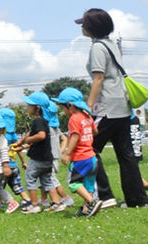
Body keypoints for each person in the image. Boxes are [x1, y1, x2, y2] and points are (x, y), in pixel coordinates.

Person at [76, 8, 148, 208]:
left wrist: (88, 106)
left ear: (92, 27)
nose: (81, 27)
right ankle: (138, 200)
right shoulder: (112, 44)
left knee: (88, 150)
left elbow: (98, 78)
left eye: (84, 24)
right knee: (126, 156)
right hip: (122, 107)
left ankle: (105, 196)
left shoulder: (97, 48)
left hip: (106, 107)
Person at [54, 87, 103, 216]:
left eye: (63, 108)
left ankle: (91, 202)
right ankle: (87, 209)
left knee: (73, 183)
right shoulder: (87, 116)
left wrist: (67, 153)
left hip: (80, 158)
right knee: (89, 185)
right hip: (92, 158)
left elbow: (74, 136)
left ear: (70, 105)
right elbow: (95, 131)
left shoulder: (74, 118)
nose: (64, 111)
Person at [14, 92, 65, 214]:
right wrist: (21, 142)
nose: (27, 107)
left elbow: (40, 136)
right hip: (48, 159)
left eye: (29, 105)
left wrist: (27, 140)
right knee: (47, 180)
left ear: (37, 108)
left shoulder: (38, 121)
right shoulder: (45, 121)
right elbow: (34, 134)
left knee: (30, 178)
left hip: (38, 159)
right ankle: (57, 203)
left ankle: (34, 204)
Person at [39, 101, 73, 208]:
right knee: (44, 178)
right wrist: (60, 151)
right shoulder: (55, 127)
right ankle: (44, 200)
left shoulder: (46, 128)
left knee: (51, 180)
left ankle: (66, 198)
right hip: (53, 158)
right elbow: (64, 139)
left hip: (48, 158)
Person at [0, 108, 31, 207]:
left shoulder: (0, 135)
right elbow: (19, 149)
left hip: (4, 165)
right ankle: (27, 199)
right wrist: (23, 162)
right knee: (16, 184)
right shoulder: (13, 135)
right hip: (14, 165)